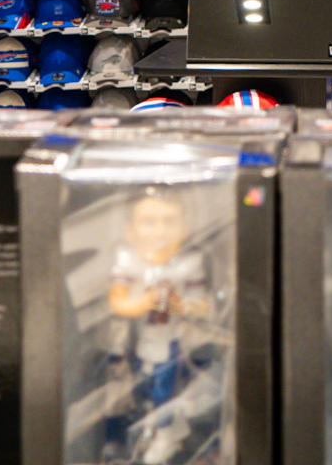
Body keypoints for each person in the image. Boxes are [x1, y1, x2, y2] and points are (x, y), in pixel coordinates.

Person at [108, 188, 209, 465]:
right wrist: (142, 303)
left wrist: (181, 306)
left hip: (173, 341)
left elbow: (203, 305)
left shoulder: (189, 264)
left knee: (165, 392)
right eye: (149, 221)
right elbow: (117, 302)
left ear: (184, 227)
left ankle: (164, 437)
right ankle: (157, 429)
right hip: (137, 341)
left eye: (169, 221)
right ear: (131, 230)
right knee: (142, 390)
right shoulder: (128, 261)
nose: (159, 230)